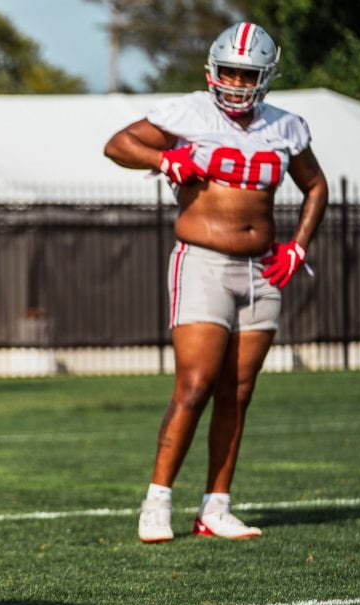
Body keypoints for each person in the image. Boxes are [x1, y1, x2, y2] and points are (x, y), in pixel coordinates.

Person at [103, 22, 328, 543]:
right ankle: (157, 501)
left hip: (263, 268)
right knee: (196, 385)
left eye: (246, 73)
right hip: (202, 261)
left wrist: (299, 245)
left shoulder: (286, 125)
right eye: (228, 70)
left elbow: (315, 186)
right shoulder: (189, 113)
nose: (234, 81)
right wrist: (166, 158)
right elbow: (117, 145)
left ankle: (216, 507)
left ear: (266, 76)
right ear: (211, 68)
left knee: (239, 391)